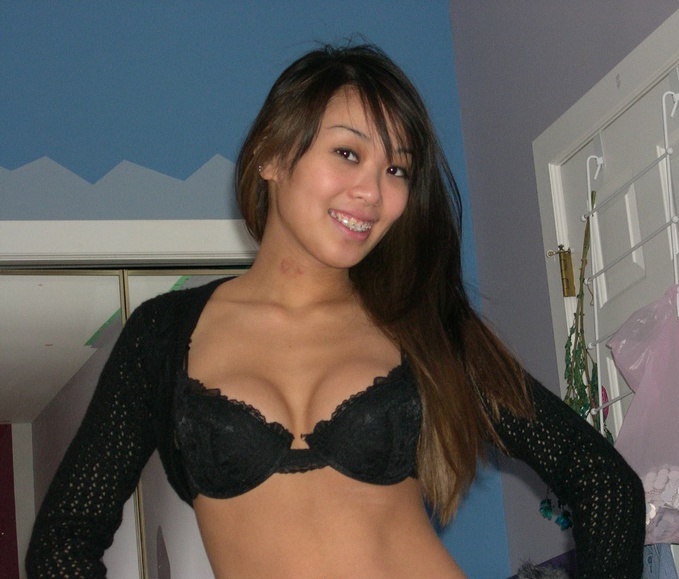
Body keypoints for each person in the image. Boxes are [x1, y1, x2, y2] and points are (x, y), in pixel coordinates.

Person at [26, 43, 645, 578]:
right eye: (348, 153)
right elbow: (62, 544)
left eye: (396, 169)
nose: (372, 192)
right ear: (271, 156)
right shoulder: (162, 337)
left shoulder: (424, 329)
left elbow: (606, 486)